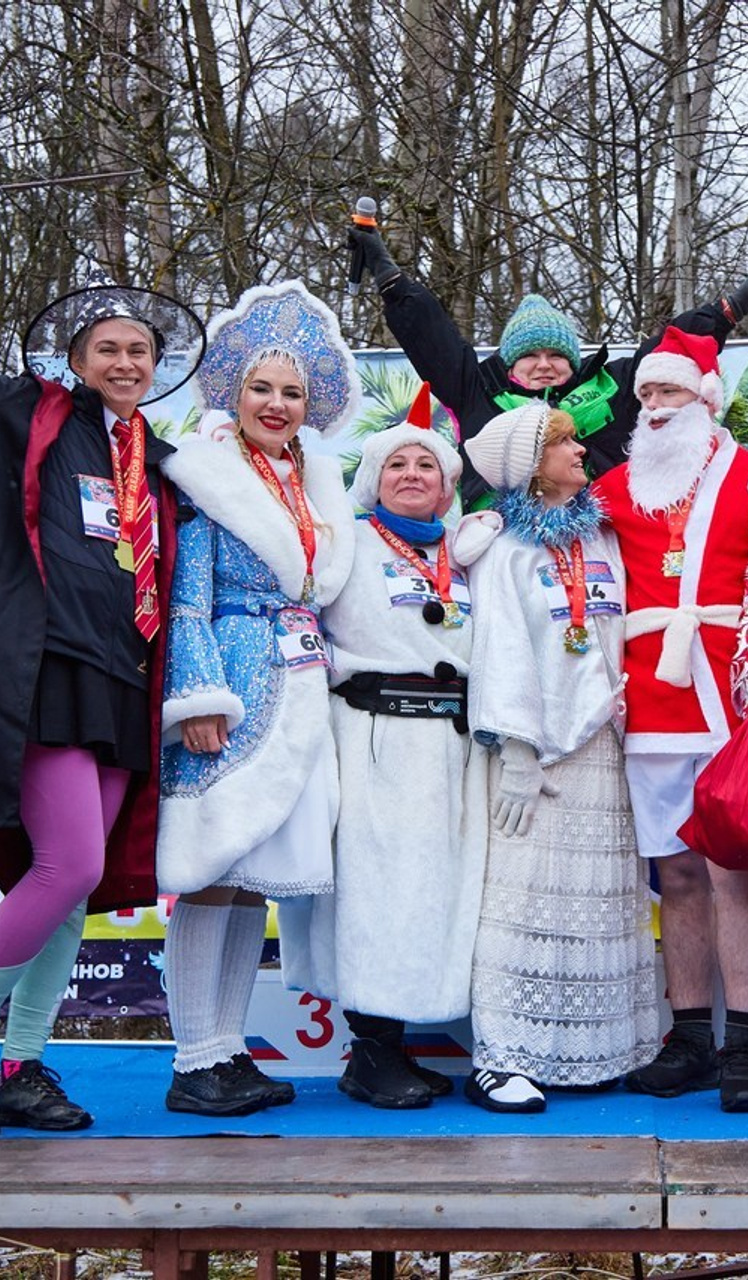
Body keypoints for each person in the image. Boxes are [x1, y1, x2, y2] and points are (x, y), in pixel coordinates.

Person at [0, 271, 204, 1130]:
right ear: (75, 361)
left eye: (139, 351)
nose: (125, 361)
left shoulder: (153, 459)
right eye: (108, 349)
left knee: (78, 892)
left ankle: (21, 1061)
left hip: (126, 679)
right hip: (52, 667)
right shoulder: (34, 419)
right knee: (69, 864)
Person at [157, 281, 357, 1116]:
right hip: (232, 687)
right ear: (233, 392)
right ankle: (194, 1060)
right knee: (210, 867)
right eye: (262, 389)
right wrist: (198, 694)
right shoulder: (206, 479)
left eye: (293, 392)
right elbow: (184, 602)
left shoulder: (313, 481)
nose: (277, 404)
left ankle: (227, 1050)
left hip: (299, 683)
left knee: (249, 877)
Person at [593, 327, 748, 1113]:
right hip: (649, 701)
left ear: (705, 400)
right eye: (645, 394)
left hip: (730, 694)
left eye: (669, 392)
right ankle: (691, 1039)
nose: (655, 407)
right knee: (674, 873)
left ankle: (744, 1043)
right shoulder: (619, 485)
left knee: (729, 870)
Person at [281, 422, 490, 1108]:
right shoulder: (348, 543)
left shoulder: (464, 555)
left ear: (447, 484)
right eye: (395, 463)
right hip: (373, 734)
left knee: (430, 896)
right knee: (373, 893)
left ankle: (391, 1046)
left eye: (425, 465)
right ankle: (369, 1049)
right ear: (372, 480)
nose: (410, 474)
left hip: (449, 744)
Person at [460, 402, 659, 1112]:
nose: (581, 450)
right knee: (523, 898)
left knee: (600, 904)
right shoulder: (506, 549)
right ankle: (504, 1056)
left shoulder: (600, 538)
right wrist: (516, 749)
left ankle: (600, 1047)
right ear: (529, 466)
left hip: (603, 744)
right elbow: (501, 654)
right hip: (537, 756)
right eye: (565, 443)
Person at [346, 218, 748, 506]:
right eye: (530, 356)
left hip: (600, 544)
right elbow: (431, 334)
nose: (544, 365)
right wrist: (389, 276)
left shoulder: (612, 389)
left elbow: (668, 347)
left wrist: (729, 308)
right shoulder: (477, 392)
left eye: (556, 355)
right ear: (509, 364)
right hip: (500, 543)